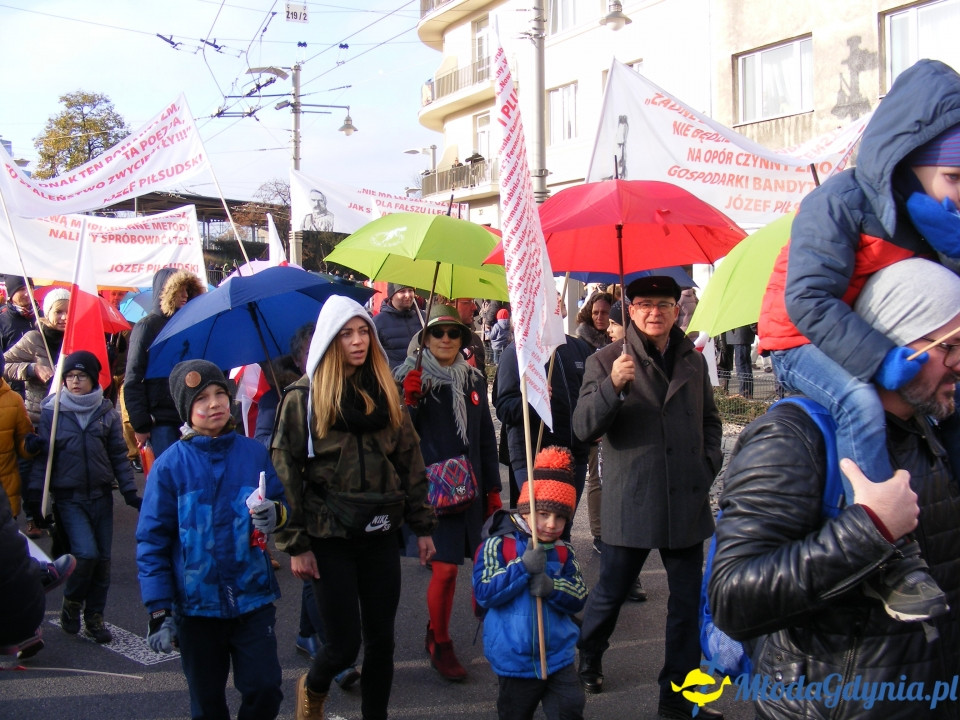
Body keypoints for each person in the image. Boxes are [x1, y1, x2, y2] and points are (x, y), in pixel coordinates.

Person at [710, 258, 960, 719]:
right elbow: (732, 599)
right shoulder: (795, 438)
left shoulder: (926, 428)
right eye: (951, 345)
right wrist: (870, 531)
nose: (959, 364)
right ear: (895, 342)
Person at [758, 59, 960, 622]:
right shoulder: (839, 201)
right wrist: (879, 359)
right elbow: (808, 300)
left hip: (858, 327)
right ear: (909, 160)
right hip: (799, 336)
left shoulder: (932, 218)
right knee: (859, 405)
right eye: (956, 178)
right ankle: (888, 554)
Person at [272, 295, 437, 720]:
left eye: (363, 331)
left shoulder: (385, 390)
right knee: (343, 644)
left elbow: (409, 459)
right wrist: (296, 543)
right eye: (347, 333)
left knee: (382, 641)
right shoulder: (303, 398)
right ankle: (312, 685)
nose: (358, 341)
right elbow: (285, 470)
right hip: (330, 535)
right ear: (330, 339)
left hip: (381, 529)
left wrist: (423, 527)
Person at [573, 276, 723, 720]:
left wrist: (707, 463)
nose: (654, 311)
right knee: (611, 592)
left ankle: (676, 700)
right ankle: (590, 653)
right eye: (644, 304)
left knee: (685, 607)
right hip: (632, 501)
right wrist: (612, 387)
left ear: (678, 311)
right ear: (630, 311)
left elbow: (711, 419)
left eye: (664, 304)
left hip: (685, 500)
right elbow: (583, 427)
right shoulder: (605, 361)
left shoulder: (693, 362)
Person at [137, 359, 287, 720]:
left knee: (265, 689)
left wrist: (277, 514)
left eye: (220, 392)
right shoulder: (169, 465)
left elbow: (282, 503)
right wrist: (159, 611)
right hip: (196, 608)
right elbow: (152, 541)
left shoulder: (253, 452)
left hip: (252, 599)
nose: (215, 403)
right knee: (206, 703)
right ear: (186, 409)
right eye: (201, 398)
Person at [394, 303, 500, 681]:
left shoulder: (473, 379)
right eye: (437, 333)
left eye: (453, 333)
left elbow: (484, 436)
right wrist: (408, 402)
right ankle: (439, 641)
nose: (445, 339)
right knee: (444, 571)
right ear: (424, 339)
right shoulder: (408, 378)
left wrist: (494, 490)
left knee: (474, 565)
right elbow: (397, 440)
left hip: (469, 488)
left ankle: (438, 633)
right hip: (432, 493)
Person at [253, 325, 361, 691]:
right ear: (300, 357)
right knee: (318, 577)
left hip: (339, 504)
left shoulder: (342, 390)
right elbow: (268, 449)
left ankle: (305, 634)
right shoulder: (283, 398)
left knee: (316, 576)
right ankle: (335, 652)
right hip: (302, 502)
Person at [26, 351, 140, 644]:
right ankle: (73, 601)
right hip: (69, 497)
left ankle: (94, 617)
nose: (75, 382)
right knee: (86, 554)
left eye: (82, 376)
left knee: (102, 560)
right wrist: (35, 500)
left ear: (93, 379)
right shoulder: (53, 411)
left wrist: (129, 491)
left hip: (101, 495)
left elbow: (118, 454)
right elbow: (42, 460)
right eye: (70, 376)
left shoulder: (106, 412)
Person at [473, 446, 588, 720]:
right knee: (515, 713)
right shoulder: (499, 546)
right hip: (515, 659)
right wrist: (522, 567)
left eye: (561, 517)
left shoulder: (563, 551)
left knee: (570, 708)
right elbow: (484, 591)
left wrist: (552, 587)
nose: (551, 524)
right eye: (544, 513)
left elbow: (579, 592)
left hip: (558, 656)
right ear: (526, 509)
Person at [492, 333, 592, 538]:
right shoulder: (515, 353)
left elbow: (591, 395)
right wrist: (532, 401)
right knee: (538, 530)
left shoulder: (579, 348)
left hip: (575, 454)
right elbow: (503, 407)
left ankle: (562, 568)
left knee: (562, 527)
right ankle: (532, 569)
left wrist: (596, 422)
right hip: (533, 456)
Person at [592, 299, 647, 602]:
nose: (609, 328)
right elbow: (588, 413)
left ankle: (629, 577)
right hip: (612, 451)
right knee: (620, 514)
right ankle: (623, 580)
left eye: (614, 323)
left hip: (643, 453)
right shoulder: (602, 359)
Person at [124, 268, 205, 459]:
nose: (185, 295)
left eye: (188, 290)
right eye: (179, 290)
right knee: (169, 476)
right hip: (161, 421)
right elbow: (133, 378)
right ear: (166, 292)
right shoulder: (147, 326)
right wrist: (141, 423)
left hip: (192, 416)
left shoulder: (193, 324)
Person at [372, 283, 421, 369]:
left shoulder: (423, 318)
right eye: (402, 291)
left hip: (421, 378)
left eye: (410, 290)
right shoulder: (378, 322)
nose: (408, 295)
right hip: (393, 379)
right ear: (391, 296)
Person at [453, 297, 487, 374]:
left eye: (473, 301)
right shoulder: (436, 345)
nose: (474, 307)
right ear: (450, 304)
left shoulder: (474, 339)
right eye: (467, 302)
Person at [725, 324, 756, 399]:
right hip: (739, 336)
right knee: (743, 365)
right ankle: (746, 392)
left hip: (740, 336)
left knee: (742, 365)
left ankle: (745, 392)